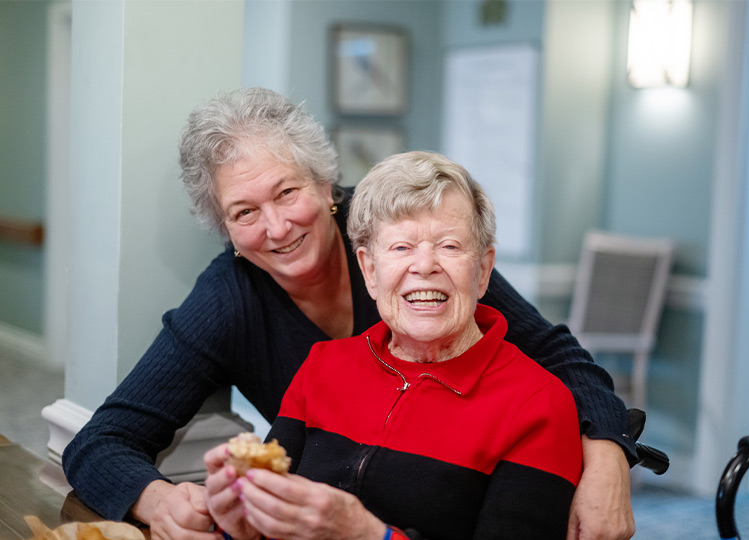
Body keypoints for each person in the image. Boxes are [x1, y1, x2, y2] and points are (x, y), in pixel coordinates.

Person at [62, 87, 636, 540]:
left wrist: (608, 455)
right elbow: (100, 441)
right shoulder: (232, 301)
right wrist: (160, 500)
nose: (278, 227)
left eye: (287, 192)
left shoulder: (403, 241)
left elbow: (554, 357)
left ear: (327, 185)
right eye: (244, 212)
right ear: (228, 233)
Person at [203, 150, 584, 539]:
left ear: (483, 270)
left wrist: (368, 535)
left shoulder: (539, 406)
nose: (424, 265)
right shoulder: (322, 365)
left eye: (449, 246)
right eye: (401, 247)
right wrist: (241, 527)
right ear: (370, 270)